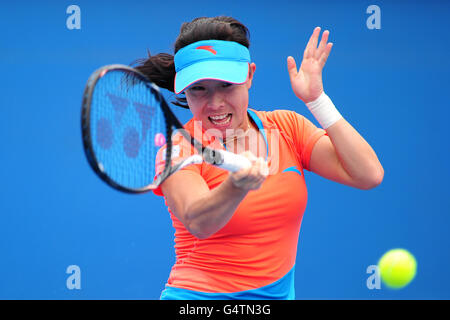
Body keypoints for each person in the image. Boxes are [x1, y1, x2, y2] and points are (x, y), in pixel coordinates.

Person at [135, 16, 384, 300]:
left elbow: (368, 174)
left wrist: (317, 101)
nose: (215, 103)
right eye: (198, 89)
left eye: (226, 85)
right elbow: (198, 222)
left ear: (249, 75)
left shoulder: (287, 128)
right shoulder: (179, 148)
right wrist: (235, 187)